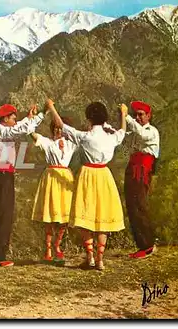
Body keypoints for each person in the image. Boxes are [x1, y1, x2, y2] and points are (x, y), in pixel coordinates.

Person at [48, 99, 127, 271]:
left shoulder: (85, 137)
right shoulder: (110, 137)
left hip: (87, 175)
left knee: (86, 217)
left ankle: (90, 256)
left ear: (89, 119)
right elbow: (122, 132)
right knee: (102, 217)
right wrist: (123, 115)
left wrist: (51, 107)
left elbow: (60, 124)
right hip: (104, 175)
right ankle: (100, 259)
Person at [0, 102, 47, 267]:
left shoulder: (2, 131)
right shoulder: (0, 131)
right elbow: (21, 129)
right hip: (1, 176)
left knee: (3, 217)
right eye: (13, 118)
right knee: (5, 216)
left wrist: (39, 115)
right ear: (5, 119)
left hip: (1, 176)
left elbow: (21, 126)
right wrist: (32, 118)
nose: (15, 120)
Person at [30, 117, 77, 265]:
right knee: (50, 214)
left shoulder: (71, 144)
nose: (58, 130)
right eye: (55, 128)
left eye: (60, 128)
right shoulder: (48, 143)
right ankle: (48, 249)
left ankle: (57, 245)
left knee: (64, 215)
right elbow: (33, 134)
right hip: (51, 177)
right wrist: (32, 121)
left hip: (65, 177)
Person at [124, 101, 160, 259]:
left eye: (141, 114)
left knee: (140, 204)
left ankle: (148, 245)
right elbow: (125, 137)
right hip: (133, 168)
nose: (137, 117)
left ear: (148, 116)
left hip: (142, 169)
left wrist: (127, 118)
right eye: (135, 114)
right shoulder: (136, 130)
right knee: (132, 205)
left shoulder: (151, 131)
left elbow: (141, 135)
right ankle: (142, 244)